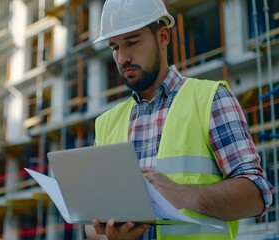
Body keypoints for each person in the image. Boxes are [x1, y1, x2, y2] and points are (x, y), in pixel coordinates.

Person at [84, 0, 274, 239]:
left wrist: (186, 195)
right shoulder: (106, 123)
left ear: (163, 36)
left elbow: (257, 194)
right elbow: (90, 224)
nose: (122, 58)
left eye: (132, 42)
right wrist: (107, 234)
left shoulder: (210, 98)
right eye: (114, 47)